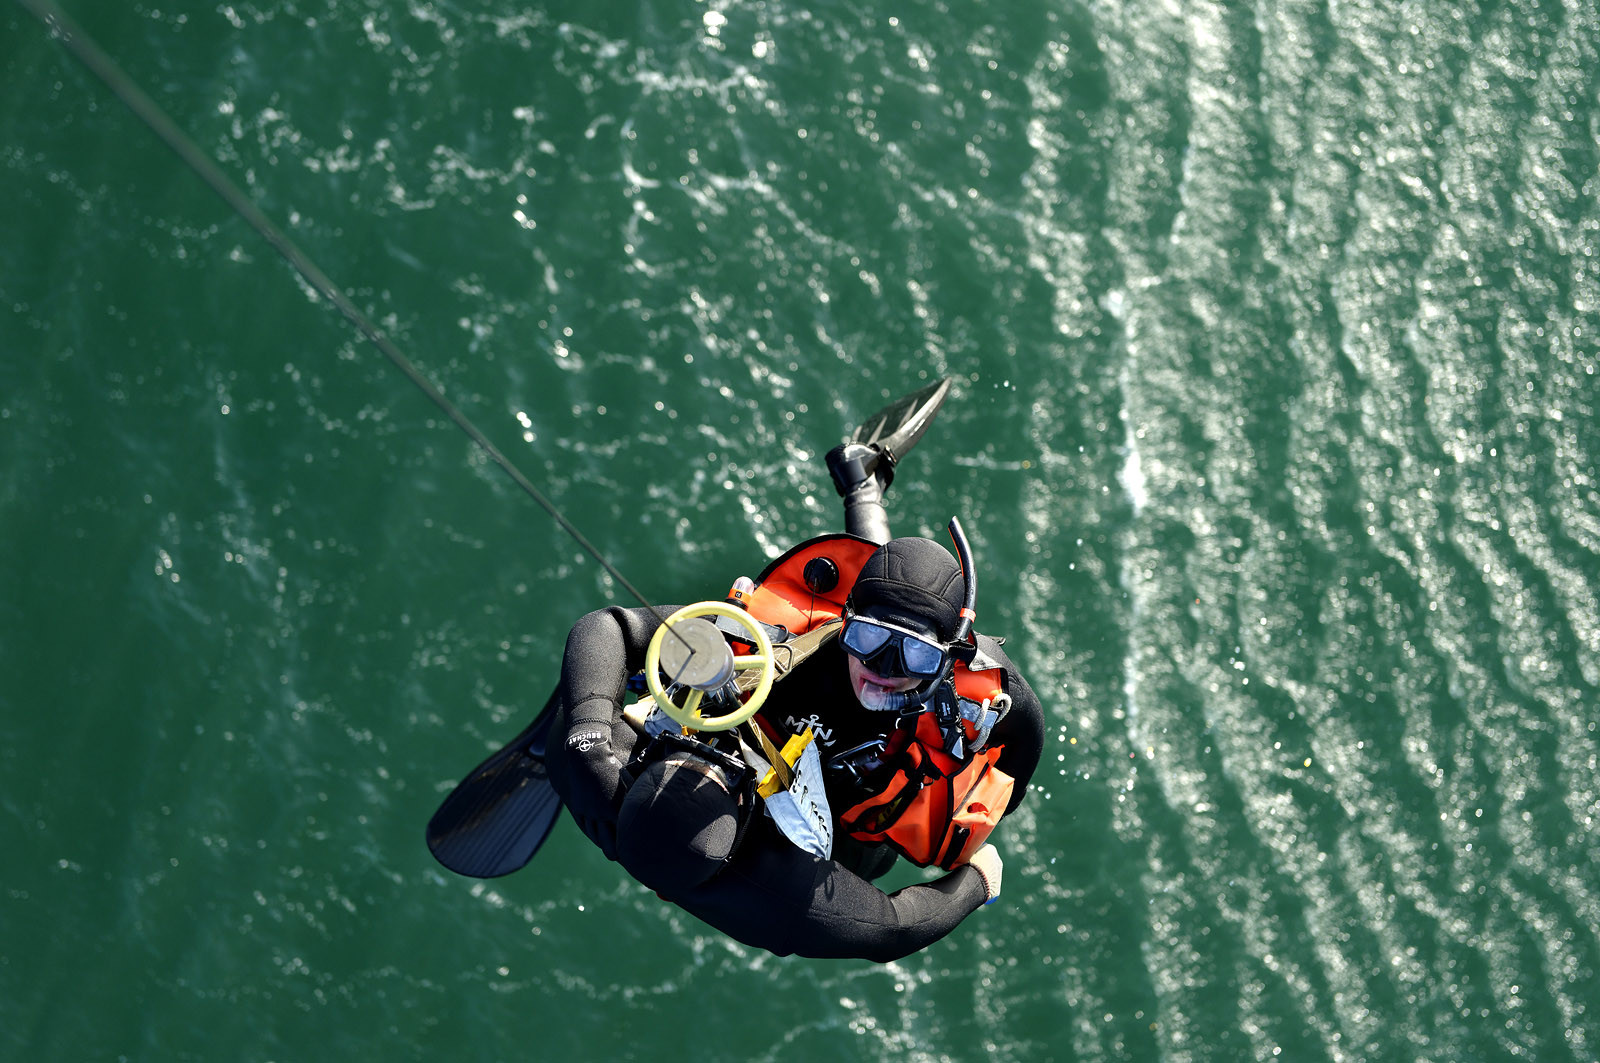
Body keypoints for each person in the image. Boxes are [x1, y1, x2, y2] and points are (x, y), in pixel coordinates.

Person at [545, 436, 1044, 962]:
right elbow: (893, 928)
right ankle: (868, 503)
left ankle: (864, 486)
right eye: (868, 641)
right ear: (845, 625)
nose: (884, 672)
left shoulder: (982, 679)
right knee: (887, 592)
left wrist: (586, 731)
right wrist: (978, 882)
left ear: (946, 659)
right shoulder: (780, 890)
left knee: (889, 585)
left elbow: (1025, 732)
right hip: (813, 835)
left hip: (855, 812)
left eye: (916, 658)